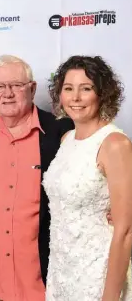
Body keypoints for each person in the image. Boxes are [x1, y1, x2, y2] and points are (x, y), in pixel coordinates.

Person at [0, 55, 74, 301]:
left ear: (32, 88)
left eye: (16, 85)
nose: (7, 93)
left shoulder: (61, 132)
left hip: (48, 283)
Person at [43, 55, 132, 300]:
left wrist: (111, 295)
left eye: (86, 88)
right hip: (62, 270)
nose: (76, 98)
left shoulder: (114, 144)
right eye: (68, 88)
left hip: (98, 273)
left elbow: (125, 229)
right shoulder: (66, 139)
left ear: (102, 93)